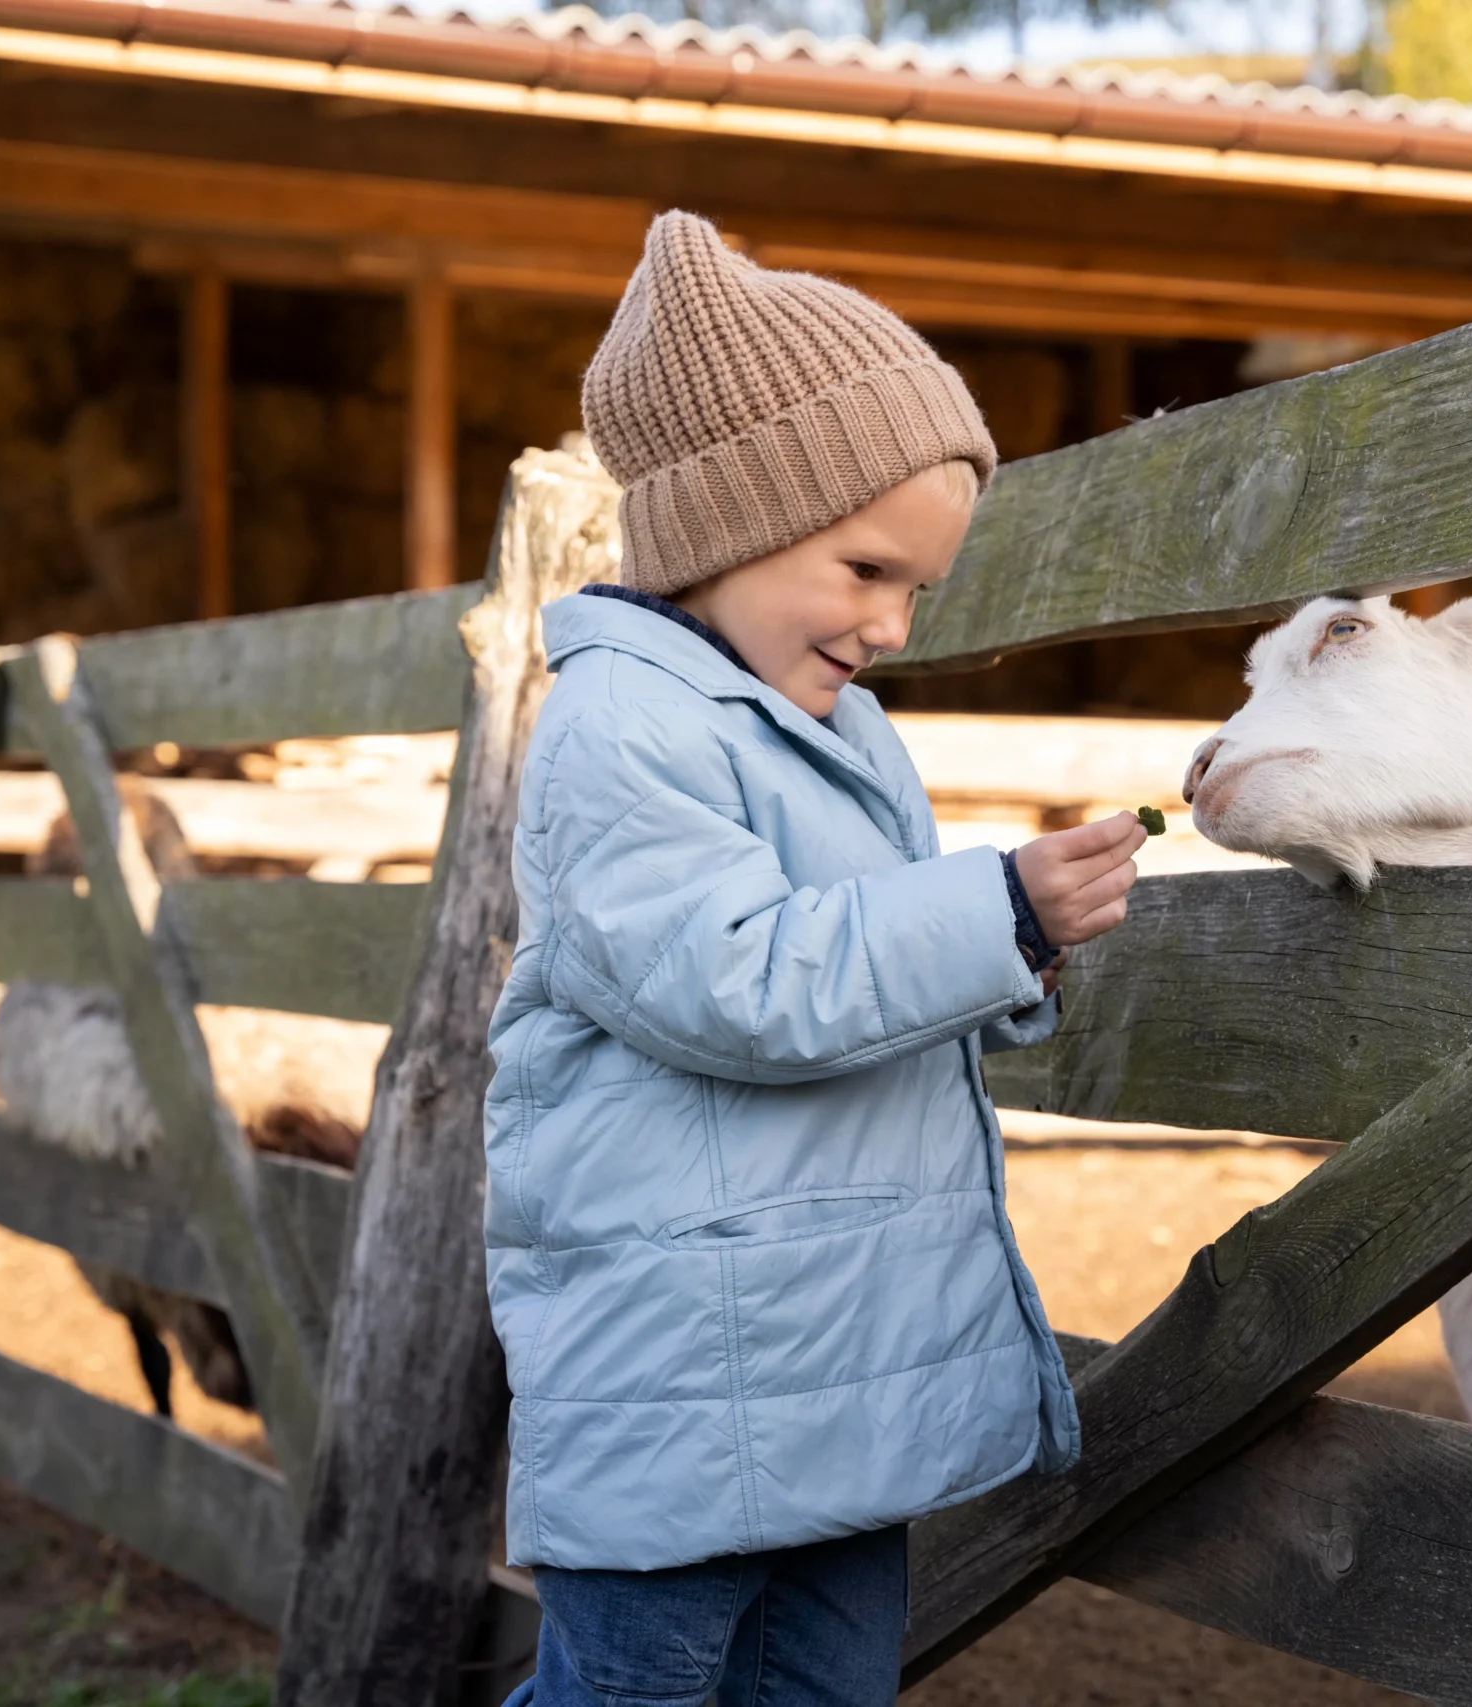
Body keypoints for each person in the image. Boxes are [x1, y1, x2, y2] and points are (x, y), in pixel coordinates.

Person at [489, 210, 1146, 1707]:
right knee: (633, 1694)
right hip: (683, 1391)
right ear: (729, 523)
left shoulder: (843, 732)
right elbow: (738, 977)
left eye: (919, 590)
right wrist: (996, 913)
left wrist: (1015, 961)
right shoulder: (618, 732)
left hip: (839, 1378)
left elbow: (871, 982)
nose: (892, 624)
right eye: (866, 569)